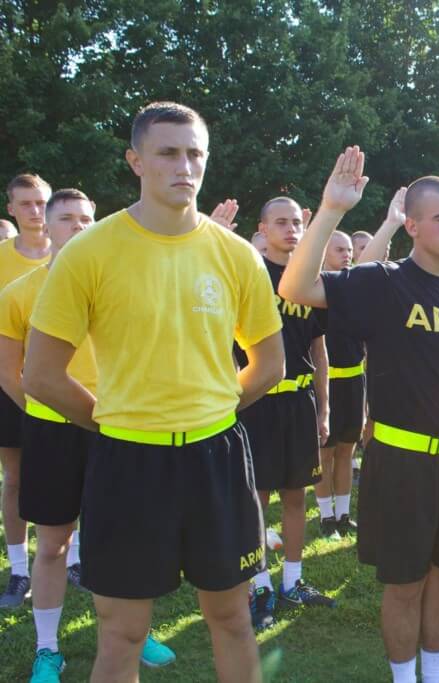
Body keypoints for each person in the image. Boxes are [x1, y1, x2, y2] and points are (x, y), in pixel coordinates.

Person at [23, 101, 283, 682]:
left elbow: (269, 363)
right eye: (167, 153)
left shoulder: (237, 255)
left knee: (232, 617)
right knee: (121, 633)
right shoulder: (90, 252)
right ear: (135, 160)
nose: (183, 167)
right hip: (126, 461)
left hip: (217, 458)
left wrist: (213, 407)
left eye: (194, 154)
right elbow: (39, 374)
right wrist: (116, 421)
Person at [279, 149, 439, 683]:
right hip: (401, 460)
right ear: (412, 225)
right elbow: (295, 287)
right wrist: (331, 210)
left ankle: (437, 675)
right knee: (404, 585)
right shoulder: (382, 282)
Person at [0, 188, 178, 681]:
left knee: (120, 539)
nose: (77, 227)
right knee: (53, 544)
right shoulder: (18, 294)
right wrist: (44, 413)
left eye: (85, 219)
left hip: (118, 431)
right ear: (46, 227)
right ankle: (47, 649)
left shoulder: (122, 284)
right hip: (53, 434)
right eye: (66, 219)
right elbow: (9, 373)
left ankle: (131, 634)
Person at [242, 196, 335, 631]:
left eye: (297, 222)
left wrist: (325, 407)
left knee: (296, 495)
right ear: (263, 227)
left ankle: (292, 581)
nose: (291, 229)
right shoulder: (248, 275)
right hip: (257, 401)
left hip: (300, 401)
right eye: (281, 222)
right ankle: (259, 585)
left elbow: (318, 347)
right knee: (257, 498)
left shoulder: (305, 280)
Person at [0, 173, 52, 608]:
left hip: (70, 386)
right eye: (26, 204)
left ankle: (74, 558)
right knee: (16, 478)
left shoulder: (74, 256)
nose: (35, 212)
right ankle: (18, 570)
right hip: (12, 385)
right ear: (12, 209)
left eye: (41, 203)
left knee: (84, 481)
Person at [314, 229, 365, 537]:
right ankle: (325, 516)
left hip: (354, 381)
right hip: (327, 383)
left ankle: (344, 514)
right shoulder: (316, 292)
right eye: (339, 250)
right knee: (326, 453)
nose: (346, 255)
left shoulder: (358, 291)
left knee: (347, 449)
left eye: (349, 250)